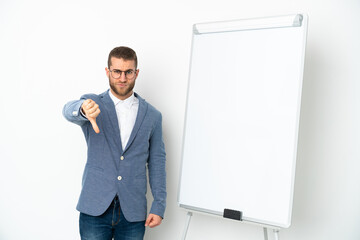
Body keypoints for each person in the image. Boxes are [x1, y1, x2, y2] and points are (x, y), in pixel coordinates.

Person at [62, 46, 166, 240]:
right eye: (117, 71)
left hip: (133, 212)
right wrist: (83, 109)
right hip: (95, 207)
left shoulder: (153, 115)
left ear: (136, 73)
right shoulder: (93, 103)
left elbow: (157, 163)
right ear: (107, 71)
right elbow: (68, 110)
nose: (123, 78)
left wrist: (159, 205)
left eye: (128, 72)